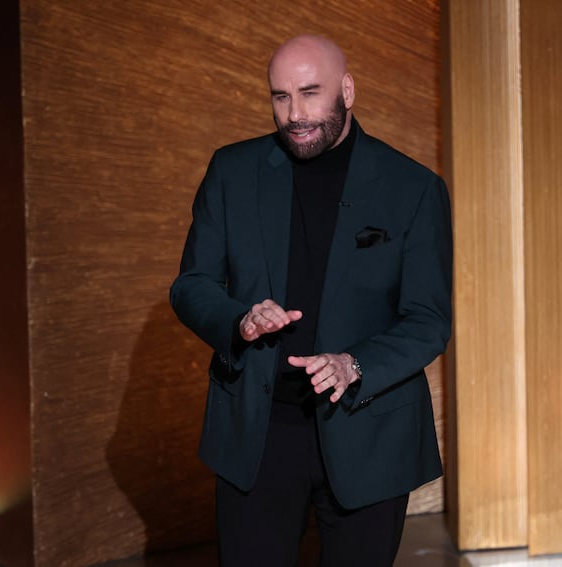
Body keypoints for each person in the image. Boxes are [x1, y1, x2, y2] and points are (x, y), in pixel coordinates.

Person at [170, 34, 452, 566]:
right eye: (280, 96)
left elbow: (429, 320)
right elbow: (191, 285)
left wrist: (355, 364)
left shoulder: (413, 187)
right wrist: (240, 321)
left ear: (346, 89)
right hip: (258, 433)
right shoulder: (232, 171)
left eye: (310, 92)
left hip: (368, 431)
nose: (294, 113)